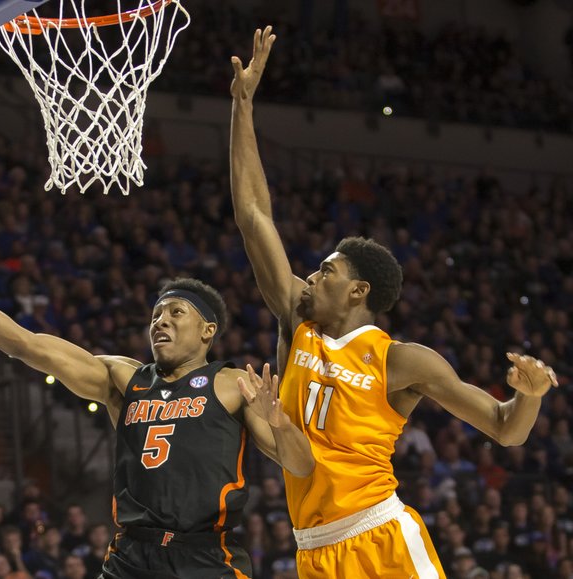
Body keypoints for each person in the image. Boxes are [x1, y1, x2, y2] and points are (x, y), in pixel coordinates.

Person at [229, 26, 559, 578]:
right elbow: (254, 216)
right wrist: (242, 105)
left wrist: (529, 396)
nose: (310, 275)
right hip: (312, 549)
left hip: (379, 538)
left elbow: (507, 429)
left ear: (359, 291)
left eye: (326, 270)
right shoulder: (298, 320)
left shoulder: (401, 360)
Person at [0, 231, 315, 578]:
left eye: (175, 312)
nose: (160, 321)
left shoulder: (233, 384)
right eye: (155, 315)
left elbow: (300, 466)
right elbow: (24, 344)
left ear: (208, 330)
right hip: (132, 556)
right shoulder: (124, 379)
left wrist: (280, 424)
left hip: (205, 558)